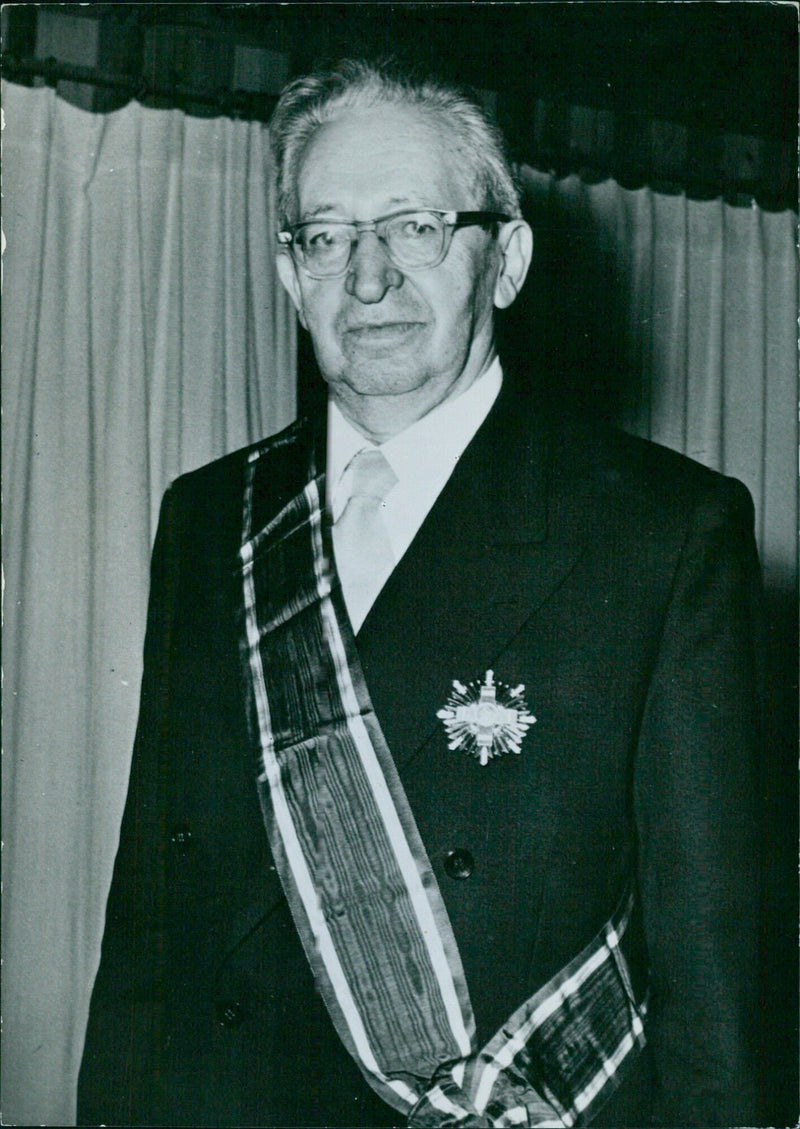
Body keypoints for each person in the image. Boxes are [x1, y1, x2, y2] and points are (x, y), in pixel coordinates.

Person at [78, 60, 764, 1128]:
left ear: (506, 261)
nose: (365, 279)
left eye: (413, 228)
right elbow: (151, 925)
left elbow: (713, 989)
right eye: (326, 236)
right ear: (286, 270)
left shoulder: (662, 534)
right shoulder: (212, 519)